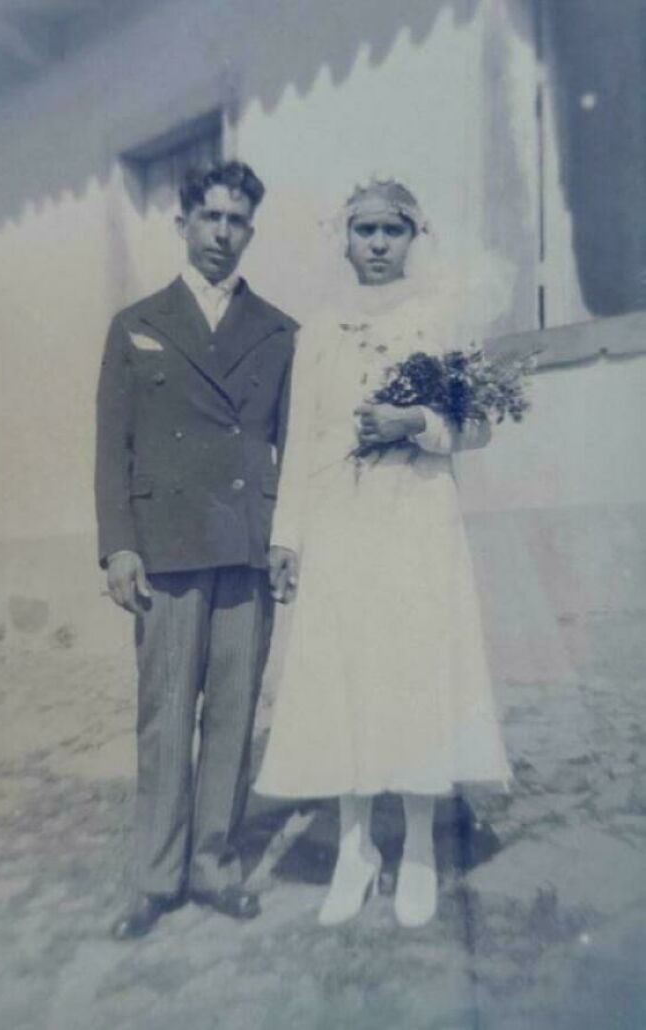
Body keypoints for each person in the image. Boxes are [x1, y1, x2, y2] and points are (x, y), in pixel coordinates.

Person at [255, 179, 510, 928]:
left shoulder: (438, 319)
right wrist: (287, 537)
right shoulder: (321, 330)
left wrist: (417, 423)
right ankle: (355, 848)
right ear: (344, 238)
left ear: (412, 237)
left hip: (417, 520)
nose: (375, 244)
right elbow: (300, 440)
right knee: (346, 681)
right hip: (341, 525)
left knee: (415, 673)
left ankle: (423, 849)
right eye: (363, 230)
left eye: (390, 231)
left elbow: (479, 425)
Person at [95, 160, 297, 939]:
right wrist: (118, 548)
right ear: (182, 223)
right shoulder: (137, 322)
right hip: (167, 548)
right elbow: (112, 447)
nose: (222, 233)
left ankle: (214, 867)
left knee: (233, 713)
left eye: (236, 221)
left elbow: (294, 443)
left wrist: (288, 540)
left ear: (250, 230)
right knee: (165, 715)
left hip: (246, 546)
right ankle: (154, 876)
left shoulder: (278, 333)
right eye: (209, 217)